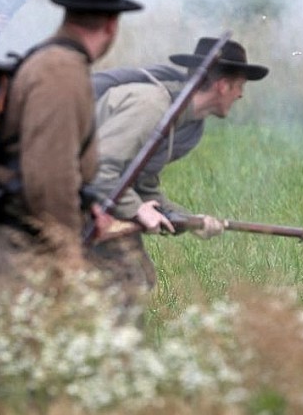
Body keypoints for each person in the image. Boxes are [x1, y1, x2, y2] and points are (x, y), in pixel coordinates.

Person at [0, 0, 142, 281]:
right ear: (112, 25)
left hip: (20, 233)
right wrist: (68, 254)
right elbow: (51, 176)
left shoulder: (52, 61)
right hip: (24, 245)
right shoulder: (60, 71)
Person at [88, 37, 269, 295]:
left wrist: (191, 221)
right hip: (62, 191)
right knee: (126, 279)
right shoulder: (150, 105)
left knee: (137, 278)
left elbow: (141, 185)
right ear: (222, 86)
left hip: (94, 196)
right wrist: (136, 209)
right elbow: (98, 169)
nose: (240, 94)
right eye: (239, 86)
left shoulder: (188, 126)